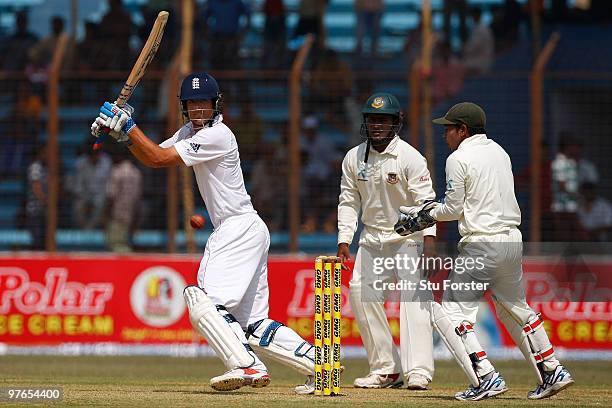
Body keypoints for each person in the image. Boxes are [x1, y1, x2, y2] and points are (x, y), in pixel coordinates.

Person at [90, 72, 316, 393]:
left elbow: (158, 155)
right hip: (248, 228)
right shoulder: (188, 132)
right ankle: (319, 365)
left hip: (236, 227)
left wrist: (127, 125)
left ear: (215, 105)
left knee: (202, 300)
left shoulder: (218, 135)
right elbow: (153, 157)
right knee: (250, 325)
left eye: (204, 103)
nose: (198, 109)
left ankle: (246, 365)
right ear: (184, 106)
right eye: (192, 103)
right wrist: (122, 135)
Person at [394, 102, 574, 400]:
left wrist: (422, 215)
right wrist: (425, 212)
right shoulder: (499, 151)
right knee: (518, 308)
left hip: (481, 244)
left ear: (463, 130)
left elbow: (453, 209)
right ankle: (552, 370)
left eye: (449, 129)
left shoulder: (459, 157)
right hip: (512, 240)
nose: (445, 135)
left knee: (452, 312)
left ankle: (485, 376)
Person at [337, 92, 436, 390]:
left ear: (396, 123)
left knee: (414, 299)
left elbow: (426, 201)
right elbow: (348, 201)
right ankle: (386, 370)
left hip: (408, 238)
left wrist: (429, 239)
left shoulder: (410, 157)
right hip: (372, 239)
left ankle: (418, 370)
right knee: (359, 293)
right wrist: (344, 239)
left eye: (383, 120)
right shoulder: (354, 157)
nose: (377, 125)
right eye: (372, 119)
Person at [105, 147, 143, 252]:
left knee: (115, 243)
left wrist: (106, 214)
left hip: (116, 213)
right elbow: (138, 197)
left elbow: (111, 195)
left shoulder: (116, 172)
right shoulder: (136, 172)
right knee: (126, 240)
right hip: (132, 212)